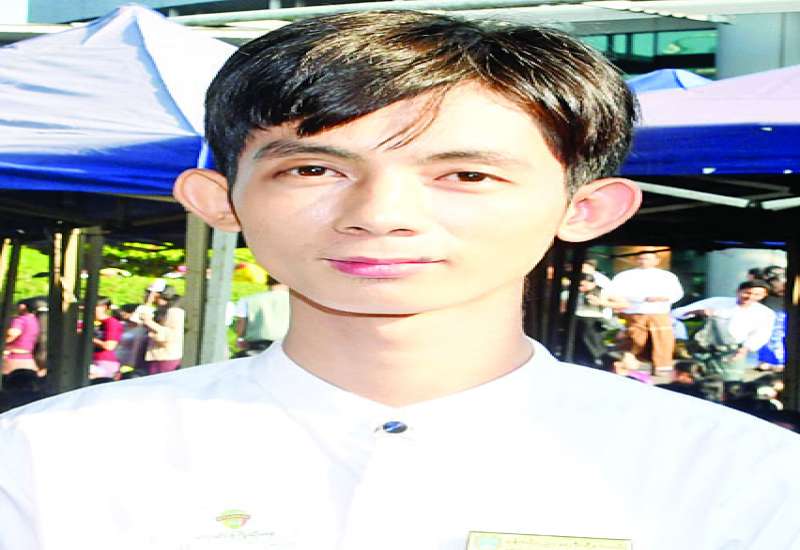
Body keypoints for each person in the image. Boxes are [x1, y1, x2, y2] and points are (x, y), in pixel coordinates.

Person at [1, 11, 799, 550]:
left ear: (585, 208)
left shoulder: (739, 478)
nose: (380, 215)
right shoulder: (49, 459)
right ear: (220, 201)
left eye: (466, 175)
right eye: (313, 169)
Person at [672, 280, 775, 383]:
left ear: (764, 295)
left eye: (756, 295)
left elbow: (762, 335)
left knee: (730, 382)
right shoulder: (717, 302)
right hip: (702, 349)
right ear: (738, 291)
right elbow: (676, 313)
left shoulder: (766, 313)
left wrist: (745, 349)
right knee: (693, 380)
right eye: (747, 293)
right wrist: (697, 312)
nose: (750, 297)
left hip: (733, 352)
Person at [606, 250, 684, 374]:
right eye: (641, 258)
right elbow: (615, 293)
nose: (644, 261)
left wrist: (664, 298)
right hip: (635, 312)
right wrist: (642, 298)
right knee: (635, 339)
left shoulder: (668, 276)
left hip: (659, 312)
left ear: (657, 261)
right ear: (635, 260)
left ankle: (661, 368)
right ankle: (627, 366)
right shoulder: (624, 276)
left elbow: (677, 293)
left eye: (647, 258)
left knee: (662, 339)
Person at [234, 276, 291, 353]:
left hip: (256, 345)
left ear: (268, 281)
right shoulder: (296, 303)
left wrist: (239, 338)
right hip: (285, 346)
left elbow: (241, 322)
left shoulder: (247, 300)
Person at [140, 285, 185, 374]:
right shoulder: (160, 311)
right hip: (155, 356)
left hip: (167, 357)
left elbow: (170, 335)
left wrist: (149, 322)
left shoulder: (174, 312)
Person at [2, 299, 41, 376]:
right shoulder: (35, 320)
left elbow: (14, 333)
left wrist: (4, 340)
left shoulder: (20, 320)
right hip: (28, 358)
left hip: (14, 358)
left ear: (23, 307)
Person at [89, 297, 124, 380]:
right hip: (88, 360)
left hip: (104, 362)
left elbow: (109, 346)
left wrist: (87, 337)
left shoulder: (111, 322)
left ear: (104, 307)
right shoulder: (88, 322)